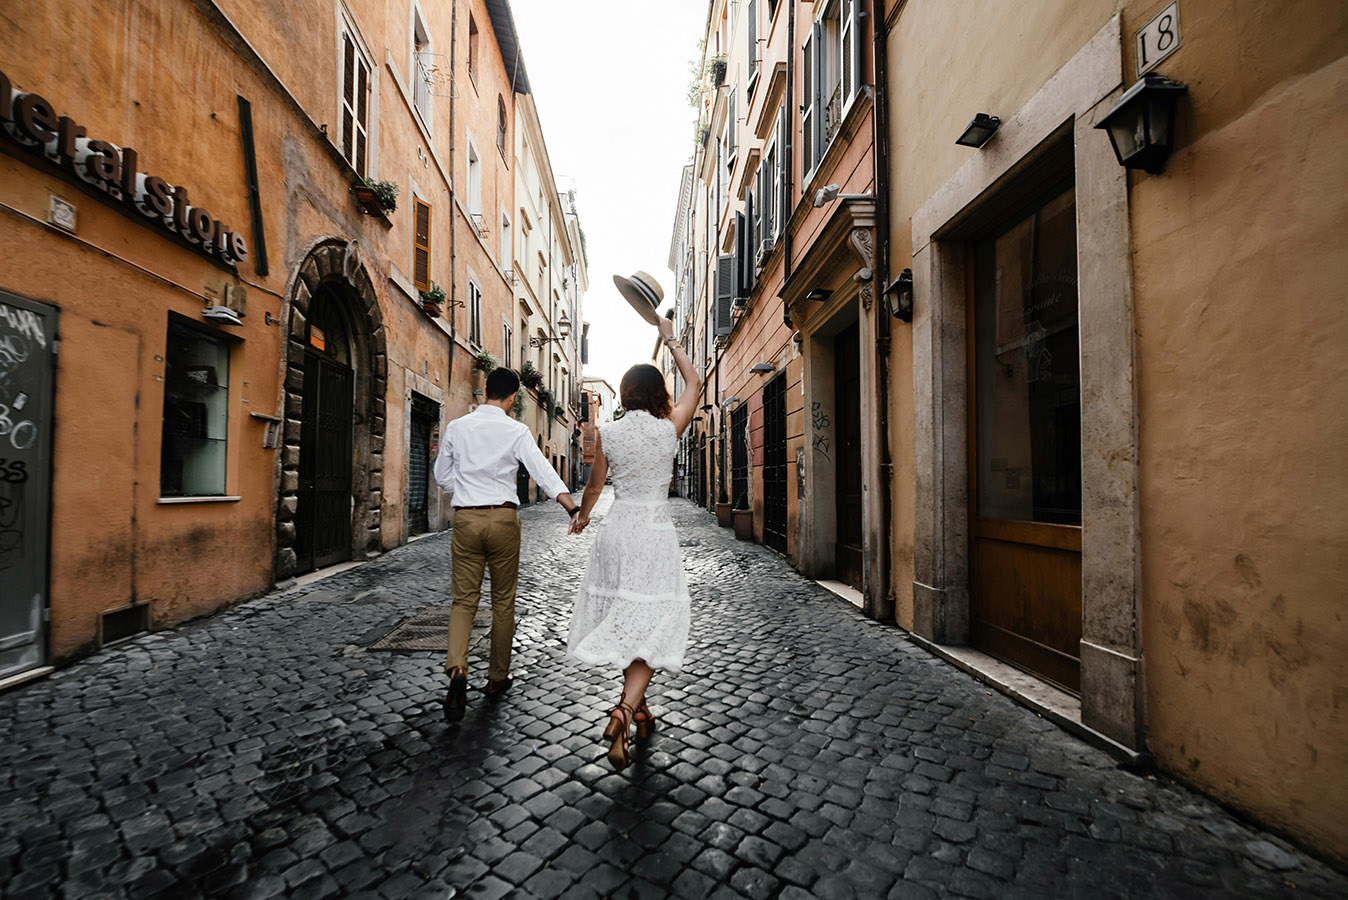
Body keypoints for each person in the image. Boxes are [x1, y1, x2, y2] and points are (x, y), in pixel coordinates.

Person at [566, 313, 700, 771]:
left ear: (624, 395)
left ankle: (636, 709)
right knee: (654, 617)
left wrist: (581, 518)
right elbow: (696, 383)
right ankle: (626, 710)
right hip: (654, 529)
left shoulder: (610, 432)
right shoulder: (669, 429)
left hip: (618, 529)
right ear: (657, 394)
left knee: (629, 614)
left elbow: (594, 486)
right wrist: (671, 341)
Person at [433, 367, 582, 722]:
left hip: (467, 519)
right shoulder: (516, 430)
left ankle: (457, 669)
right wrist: (572, 508)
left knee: (463, 601)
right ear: (514, 398)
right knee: (503, 602)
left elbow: (441, 477)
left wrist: (468, 492)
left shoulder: (457, 427)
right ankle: (497, 677)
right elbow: (542, 470)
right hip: (503, 519)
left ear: (485, 391)